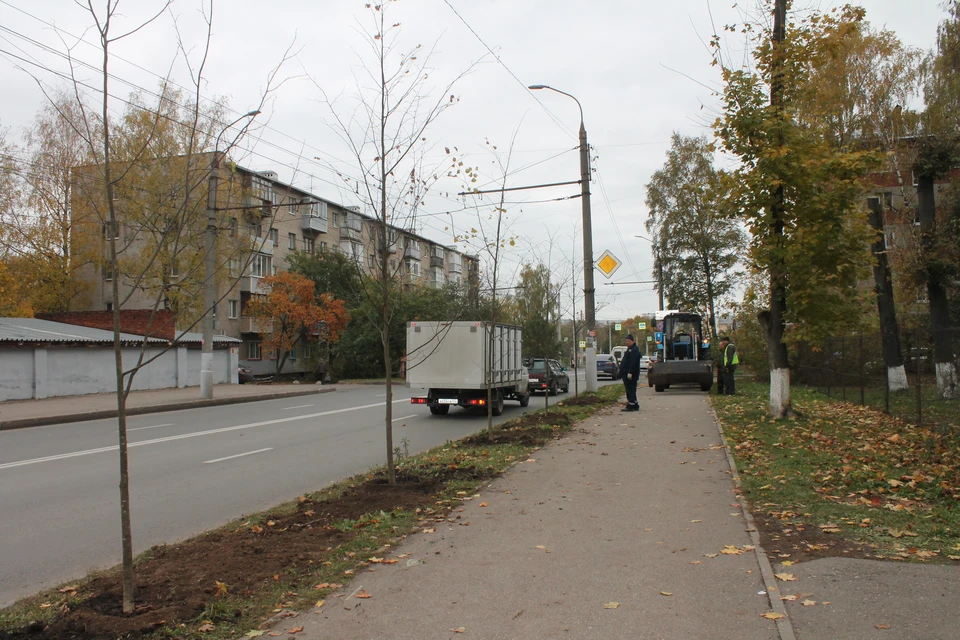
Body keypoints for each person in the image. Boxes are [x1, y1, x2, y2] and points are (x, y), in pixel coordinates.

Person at [618, 334, 641, 411]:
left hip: (630, 374)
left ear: (632, 341)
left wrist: (630, 372)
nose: (626, 342)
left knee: (630, 389)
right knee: (631, 389)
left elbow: (633, 362)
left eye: (628, 341)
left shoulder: (634, 350)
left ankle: (631, 405)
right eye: (626, 341)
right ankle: (634, 403)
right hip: (627, 373)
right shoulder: (630, 349)